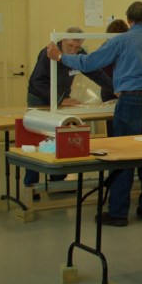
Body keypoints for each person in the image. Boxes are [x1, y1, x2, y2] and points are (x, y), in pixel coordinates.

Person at [47, 2, 142, 227]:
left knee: (122, 157)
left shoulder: (121, 40)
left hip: (133, 100)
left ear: (129, 20)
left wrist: (60, 57)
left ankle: (118, 213)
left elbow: (89, 62)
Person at [24, 26, 113, 188]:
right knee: (37, 141)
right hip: (40, 99)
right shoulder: (48, 53)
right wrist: (60, 100)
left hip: (60, 100)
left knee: (60, 138)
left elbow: (96, 73)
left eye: (77, 47)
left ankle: (58, 182)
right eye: (69, 47)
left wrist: (116, 89)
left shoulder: (80, 54)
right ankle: (31, 185)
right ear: (62, 41)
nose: (73, 51)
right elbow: (37, 83)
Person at [100, 18, 130, 137]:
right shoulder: (109, 47)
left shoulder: (106, 46)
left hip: (114, 90)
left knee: (114, 127)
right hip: (116, 89)